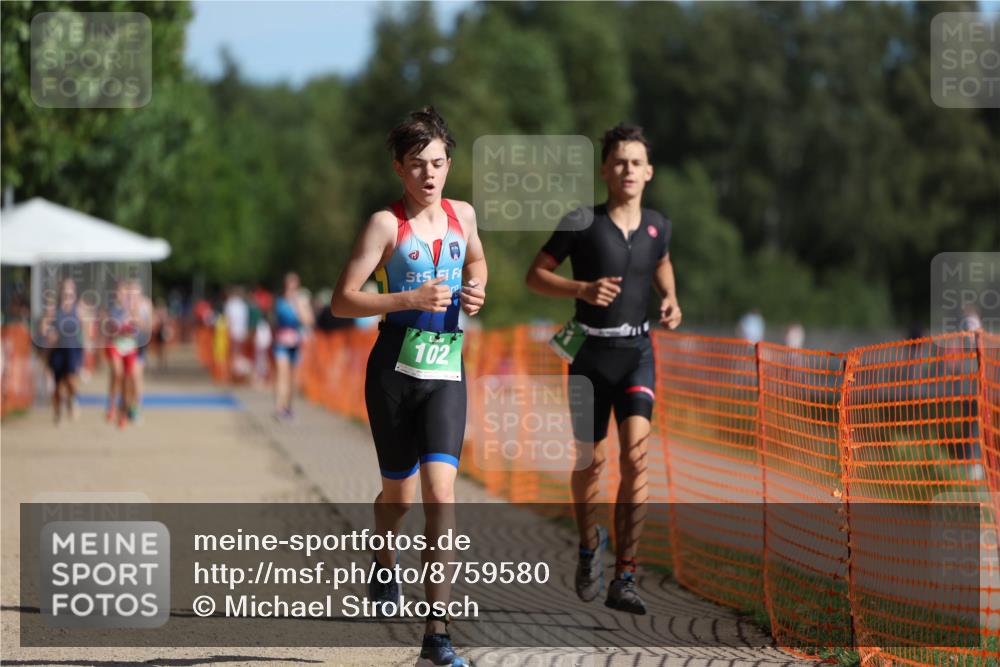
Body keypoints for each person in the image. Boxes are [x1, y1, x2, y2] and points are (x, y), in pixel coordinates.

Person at [331, 106, 486, 667]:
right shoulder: (384, 224)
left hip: (447, 371)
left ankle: (437, 635)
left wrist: (476, 289)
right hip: (393, 370)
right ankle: (381, 553)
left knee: (441, 497)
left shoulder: (463, 216)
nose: (429, 174)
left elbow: (479, 262)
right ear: (399, 167)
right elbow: (342, 299)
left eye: (439, 163)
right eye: (418, 164)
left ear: (449, 165)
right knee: (398, 499)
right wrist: (406, 299)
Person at [525, 123, 682, 615]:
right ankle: (590, 544)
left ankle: (627, 575)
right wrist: (581, 290)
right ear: (604, 170)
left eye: (636, 162)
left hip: (637, 353)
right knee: (589, 463)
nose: (628, 170)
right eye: (619, 162)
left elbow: (660, 262)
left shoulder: (658, 225)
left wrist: (671, 297)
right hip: (588, 356)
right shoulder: (581, 222)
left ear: (648, 171)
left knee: (636, 458)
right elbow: (535, 275)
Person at [40, 278, 85, 425]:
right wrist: (48, 334)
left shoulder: (79, 309)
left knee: (71, 380)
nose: (67, 293)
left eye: (70, 290)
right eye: (65, 290)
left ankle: (72, 400)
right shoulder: (53, 310)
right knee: (57, 386)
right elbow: (43, 328)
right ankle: (57, 412)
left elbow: (87, 331)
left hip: (73, 349)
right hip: (57, 351)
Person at [271, 272, 313, 420]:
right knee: (282, 375)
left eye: (293, 284)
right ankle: (278, 407)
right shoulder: (279, 301)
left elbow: (308, 321)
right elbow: (274, 321)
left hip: (296, 343)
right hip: (281, 343)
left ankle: (289, 407)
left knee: (293, 378)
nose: (290, 287)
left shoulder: (301, 301)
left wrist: (298, 306)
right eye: (288, 284)